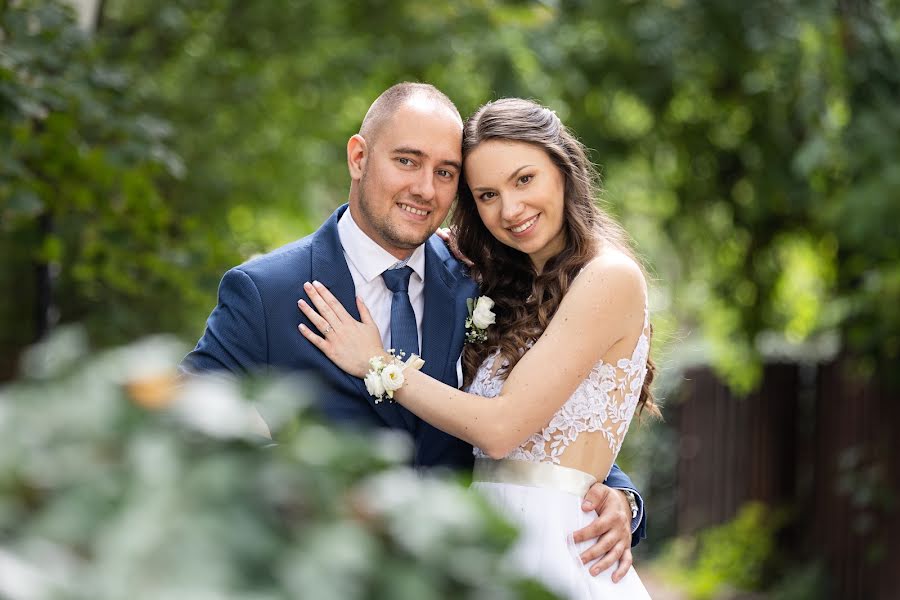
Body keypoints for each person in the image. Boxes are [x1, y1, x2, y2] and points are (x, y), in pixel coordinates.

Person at [184, 84, 647, 580]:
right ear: (359, 157)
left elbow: (544, 408)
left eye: (445, 173)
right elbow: (188, 411)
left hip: (466, 576)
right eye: (407, 161)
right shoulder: (267, 291)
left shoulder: (480, 281)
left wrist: (618, 495)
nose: (426, 189)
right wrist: (292, 487)